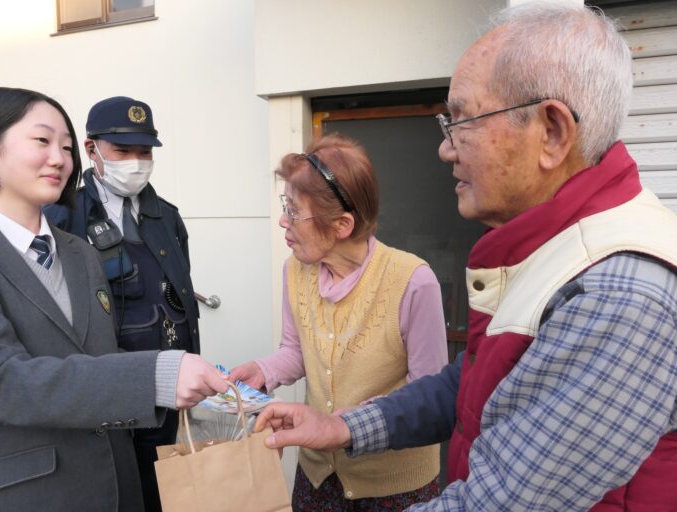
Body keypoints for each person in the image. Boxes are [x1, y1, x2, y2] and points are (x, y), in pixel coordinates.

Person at [254, 3, 677, 511]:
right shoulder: (552, 251)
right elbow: (472, 383)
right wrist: (341, 425)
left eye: (462, 121)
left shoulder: (617, 291)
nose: (446, 149)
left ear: (552, 132)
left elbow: (501, 501)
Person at [0, 87, 228, 512]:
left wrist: (182, 385)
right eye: (42, 141)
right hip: (21, 494)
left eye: (65, 146)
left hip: (116, 486)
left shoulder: (79, 251)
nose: (59, 158)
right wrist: (156, 376)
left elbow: (100, 354)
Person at [230, 134, 448, 510]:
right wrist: (262, 371)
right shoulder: (295, 271)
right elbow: (295, 351)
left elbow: (428, 394)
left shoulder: (412, 280)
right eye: (286, 205)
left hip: (393, 486)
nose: (283, 220)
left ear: (342, 225)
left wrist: (341, 426)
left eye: (295, 211)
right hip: (318, 475)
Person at [44, 96, 200, 511]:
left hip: (165, 385)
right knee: (111, 487)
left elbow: (181, 293)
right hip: (104, 389)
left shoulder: (167, 216)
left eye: (144, 151)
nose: (135, 161)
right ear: (91, 149)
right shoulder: (61, 218)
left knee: (159, 484)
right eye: (123, 150)